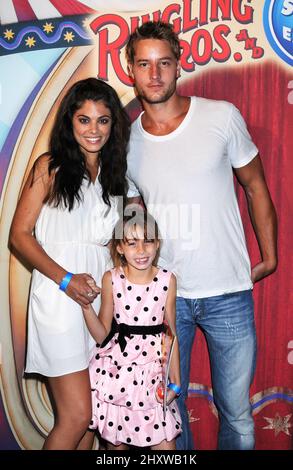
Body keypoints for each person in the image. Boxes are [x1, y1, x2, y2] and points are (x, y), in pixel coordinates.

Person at [125, 21, 278, 450]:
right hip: (163, 297)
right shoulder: (127, 140)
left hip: (227, 290)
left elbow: (256, 186)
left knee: (238, 417)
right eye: (144, 64)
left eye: (164, 64)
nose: (154, 75)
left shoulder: (221, 116)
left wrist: (270, 254)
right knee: (167, 412)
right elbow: (133, 215)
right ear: (130, 72)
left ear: (178, 67)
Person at [9, 77, 130, 450]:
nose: (94, 130)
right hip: (59, 299)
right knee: (77, 415)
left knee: (92, 420)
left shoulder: (114, 177)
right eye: (84, 120)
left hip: (97, 305)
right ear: (70, 122)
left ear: (113, 125)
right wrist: (66, 281)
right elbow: (19, 236)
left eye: (103, 120)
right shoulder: (51, 166)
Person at [81, 210, 182, 450]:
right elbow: (102, 334)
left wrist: (176, 381)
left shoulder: (168, 280)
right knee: (117, 449)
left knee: (166, 447)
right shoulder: (111, 278)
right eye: (132, 243)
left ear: (157, 244)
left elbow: (171, 334)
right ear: (119, 248)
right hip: (117, 374)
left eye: (148, 241)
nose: (141, 250)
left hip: (153, 374)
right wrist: (86, 307)